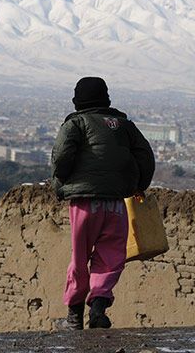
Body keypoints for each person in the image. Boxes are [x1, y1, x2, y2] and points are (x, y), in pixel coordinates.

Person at [51, 77, 155, 330]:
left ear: (78, 99)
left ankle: (74, 317)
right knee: (110, 257)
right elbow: (145, 156)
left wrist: (61, 182)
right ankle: (98, 308)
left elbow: (62, 156)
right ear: (106, 98)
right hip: (117, 204)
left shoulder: (76, 123)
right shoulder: (124, 125)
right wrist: (138, 185)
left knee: (79, 258)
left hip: (85, 203)